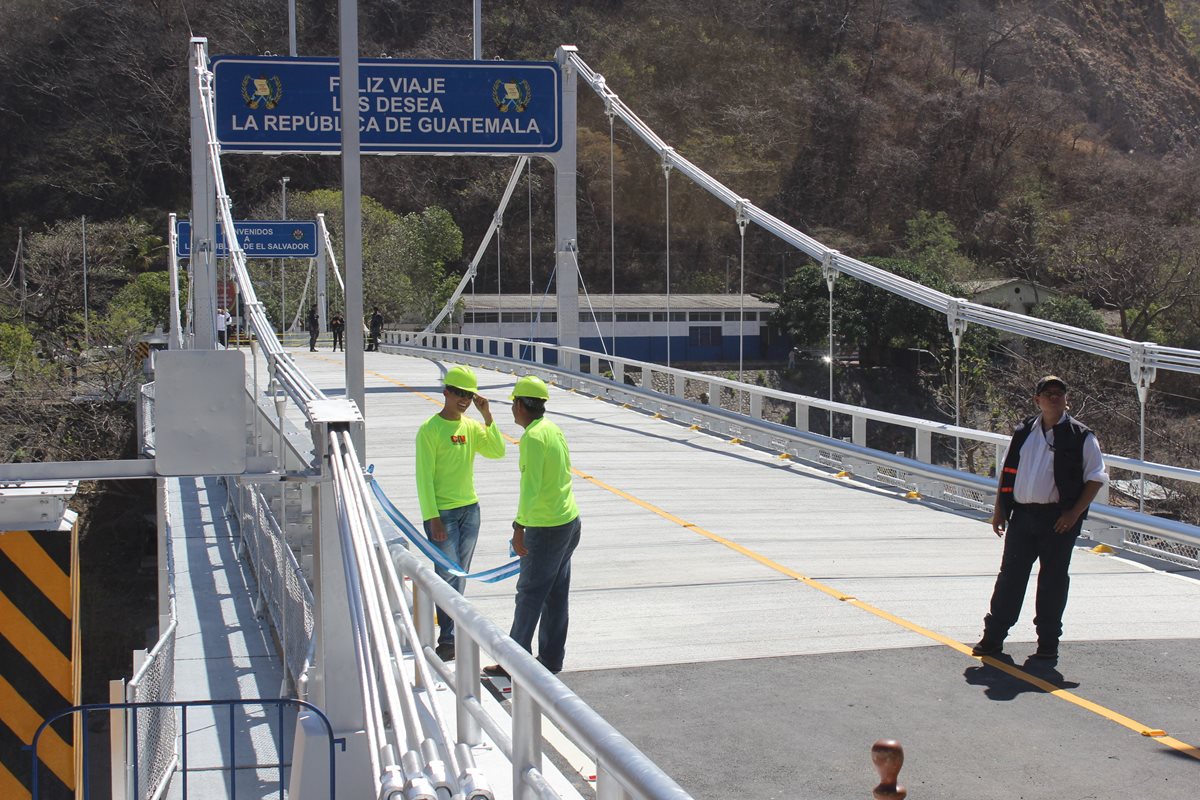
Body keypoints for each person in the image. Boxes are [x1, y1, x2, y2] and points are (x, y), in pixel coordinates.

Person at [971, 376, 1108, 661]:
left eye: (1059, 393)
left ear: (1066, 399)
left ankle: (1047, 644)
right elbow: (1007, 471)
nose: (1054, 398)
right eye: (1048, 393)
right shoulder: (1023, 432)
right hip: (1022, 516)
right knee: (1010, 578)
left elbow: (1095, 478)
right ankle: (993, 637)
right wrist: (1000, 510)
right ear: (1038, 400)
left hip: (1058, 520)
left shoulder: (1081, 435)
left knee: (1053, 581)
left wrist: (1073, 513)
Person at [484, 375, 581, 679]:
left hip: (546, 527)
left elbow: (531, 488)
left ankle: (513, 662)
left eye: (513, 402)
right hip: (569, 522)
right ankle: (551, 659)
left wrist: (518, 527)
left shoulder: (532, 438)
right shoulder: (552, 429)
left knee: (529, 593)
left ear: (519, 404)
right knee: (555, 594)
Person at [415, 365, 506, 661]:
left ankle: (451, 632)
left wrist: (487, 416)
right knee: (446, 574)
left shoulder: (470, 427)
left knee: (460, 575)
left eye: (468, 395)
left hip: (470, 511)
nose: (463, 400)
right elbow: (423, 478)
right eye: (458, 394)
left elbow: (497, 451)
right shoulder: (429, 431)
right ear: (446, 393)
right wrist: (433, 517)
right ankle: (448, 637)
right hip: (443, 514)